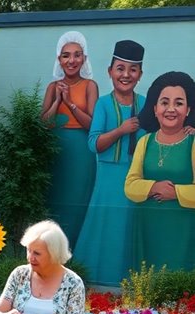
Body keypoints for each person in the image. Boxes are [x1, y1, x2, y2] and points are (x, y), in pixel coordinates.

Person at [74, 40, 145, 287]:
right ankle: (93, 282)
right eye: (120, 68)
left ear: (140, 74)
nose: (126, 75)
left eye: (132, 69)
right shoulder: (103, 104)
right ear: (110, 71)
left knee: (129, 229)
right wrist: (121, 130)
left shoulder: (146, 103)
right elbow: (94, 144)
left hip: (136, 179)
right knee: (103, 227)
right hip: (107, 179)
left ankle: (130, 284)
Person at [124, 71, 195, 273]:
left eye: (179, 103)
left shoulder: (193, 143)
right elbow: (130, 186)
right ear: (155, 109)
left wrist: (176, 192)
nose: (171, 109)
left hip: (184, 231)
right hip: (148, 229)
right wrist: (153, 186)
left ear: (188, 109)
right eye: (164, 102)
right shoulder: (144, 142)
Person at [40, 31, 99, 248]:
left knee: (76, 203)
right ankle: (51, 252)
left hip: (81, 153)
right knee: (54, 200)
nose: (71, 60)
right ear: (59, 59)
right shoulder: (52, 87)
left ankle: (73, 254)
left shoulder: (90, 85)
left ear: (84, 58)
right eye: (66, 55)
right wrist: (57, 100)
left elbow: (92, 124)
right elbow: (44, 123)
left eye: (77, 55)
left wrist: (70, 104)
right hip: (55, 150)